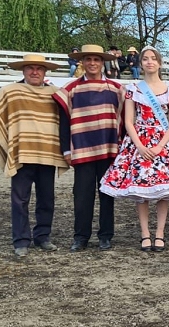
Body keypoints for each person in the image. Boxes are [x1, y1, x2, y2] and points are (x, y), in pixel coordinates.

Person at [100, 46, 169, 251]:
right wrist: (139, 146)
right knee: (142, 191)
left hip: (162, 141)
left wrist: (159, 147)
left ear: (159, 63)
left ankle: (160, 233)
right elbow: (129, 121)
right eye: (145, 59)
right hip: (138, 142)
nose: (149, 62)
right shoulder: (133, 89)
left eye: (153, 58)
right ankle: (145, 233)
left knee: (164, 190)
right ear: (141, 64)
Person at [0, 54, 69, 257]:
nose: (34, 72)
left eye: (39, 68)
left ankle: (43, 237)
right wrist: (9, 144)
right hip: (22, 153)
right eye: (30, 68)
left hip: (48, 153)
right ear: (23, 70)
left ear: (45, 71)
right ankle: (21, 240)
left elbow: (67, 120)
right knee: (20, 199)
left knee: (46, 199)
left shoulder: (56, 94)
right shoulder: (11, 92)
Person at [53, 44, 124, 252]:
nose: (92, 63)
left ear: (102, 63)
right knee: (82, 196)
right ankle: (81, 236)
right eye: (88, 59)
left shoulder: (117, 89)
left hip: (108, 149)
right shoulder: (71, 89)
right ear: (82, 63)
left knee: (107, 194)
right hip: (82, 149)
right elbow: (64, 122)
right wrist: (66, 150)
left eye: (97, 60)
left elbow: (123, 120)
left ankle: (105, 236)